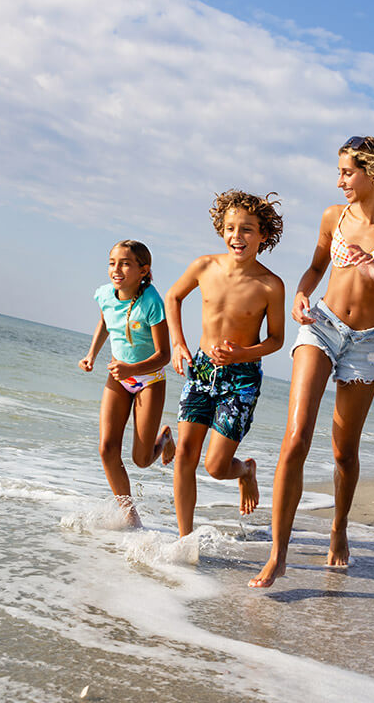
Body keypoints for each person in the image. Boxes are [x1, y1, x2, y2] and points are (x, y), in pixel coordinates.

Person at [249, 136, 374, 588]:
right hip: (322, 325)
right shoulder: (334, 216)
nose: (340, 180)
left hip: (366, 342)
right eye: (339, 171)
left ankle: (338, 527)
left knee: (345, 452)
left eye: (348, 172)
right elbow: (315, 268)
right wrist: (301, 294)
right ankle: (278, 554)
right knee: (296, 437)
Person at [166, 190, 285, 537]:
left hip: (241, 378)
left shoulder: (270, 285)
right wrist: (178, 343)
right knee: (185, 455)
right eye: (231, 228)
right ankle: (185, 538)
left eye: (247, 229)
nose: (237, 236)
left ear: (263, 234)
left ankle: (245, 470)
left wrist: (241, 354)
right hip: (202, 370)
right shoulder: (204, 266)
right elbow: (173, 296)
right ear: (222, 230)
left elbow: (276, 340)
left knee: (216, 466)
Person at [79, 240, 175, 527]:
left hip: (149, 379)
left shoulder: (152, 302)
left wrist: (131, 368)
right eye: (112, 263)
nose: (116, 269)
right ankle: (129, 514)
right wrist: (91, 354)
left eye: (125, 264)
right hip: (119, 378)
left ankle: (164, 438)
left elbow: (164, 355)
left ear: (143, 270)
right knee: (107, 448)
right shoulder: (105, 294)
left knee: (142, 460)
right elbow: (105, 322)